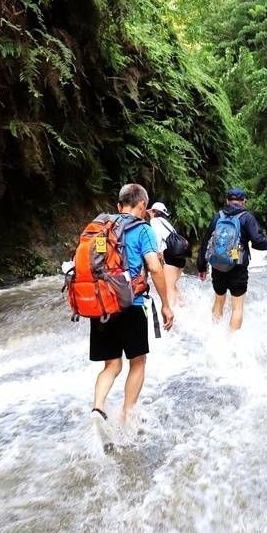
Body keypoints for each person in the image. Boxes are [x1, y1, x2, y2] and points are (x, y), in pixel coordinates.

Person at [91, 184, 175, 429]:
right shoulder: (144, 230)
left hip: (102, 305)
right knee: (137, 361)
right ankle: (128, 414)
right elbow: (156, 268)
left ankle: (97, 408)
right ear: (142, 206)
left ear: (119, 206)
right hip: (132, 304)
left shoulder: (102, 229)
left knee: (111, 365)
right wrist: (166, 305)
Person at [196, 187, 267, 331]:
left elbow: (206, 241)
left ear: (227, 200)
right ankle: (230, 344)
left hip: (218, 262)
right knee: (237, 308)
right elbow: (258, 242)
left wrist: (201, 266)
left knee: (219, 300)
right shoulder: (246, 216)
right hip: (237, 258)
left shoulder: (218, 216)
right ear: (243, 201)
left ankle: (214, 336)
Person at [148, 202, 185, 305]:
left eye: (151, 211)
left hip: (170, 257)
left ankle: (173, 313)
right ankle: (184, 306)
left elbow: (157, 237)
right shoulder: (168, 224)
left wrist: (158, 252)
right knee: (172, 285)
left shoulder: (154, 221)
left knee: (168, 287)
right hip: (180, 257)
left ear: (154, 212)